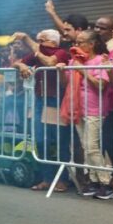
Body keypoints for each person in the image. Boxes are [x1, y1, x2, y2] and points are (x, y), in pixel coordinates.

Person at [57, 30, 113, 199]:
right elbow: (65, 84)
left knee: (91, 147)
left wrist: (82, 70)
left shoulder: (99, 60)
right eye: (76, 42)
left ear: (92, 44)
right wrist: (61, 70)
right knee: (85, 147)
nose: (77, 45)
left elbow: (101, 85)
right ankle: (94, 181)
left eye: (81, 42)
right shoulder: (74, 61)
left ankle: (106, 183)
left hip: (94, 109)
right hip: (77, 108)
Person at [13, 30, 71, 192]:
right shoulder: (37, 53)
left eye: (41, 40)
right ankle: (47, 178)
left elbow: (50, 63)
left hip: (56, 100)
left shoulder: (60, 53)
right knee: (40, 140)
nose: (37, 44)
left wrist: (28, 40)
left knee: (60, 142)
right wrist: (21, 65)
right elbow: (16, 63)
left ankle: (63, 179)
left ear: (52, 42)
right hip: (40, 100)